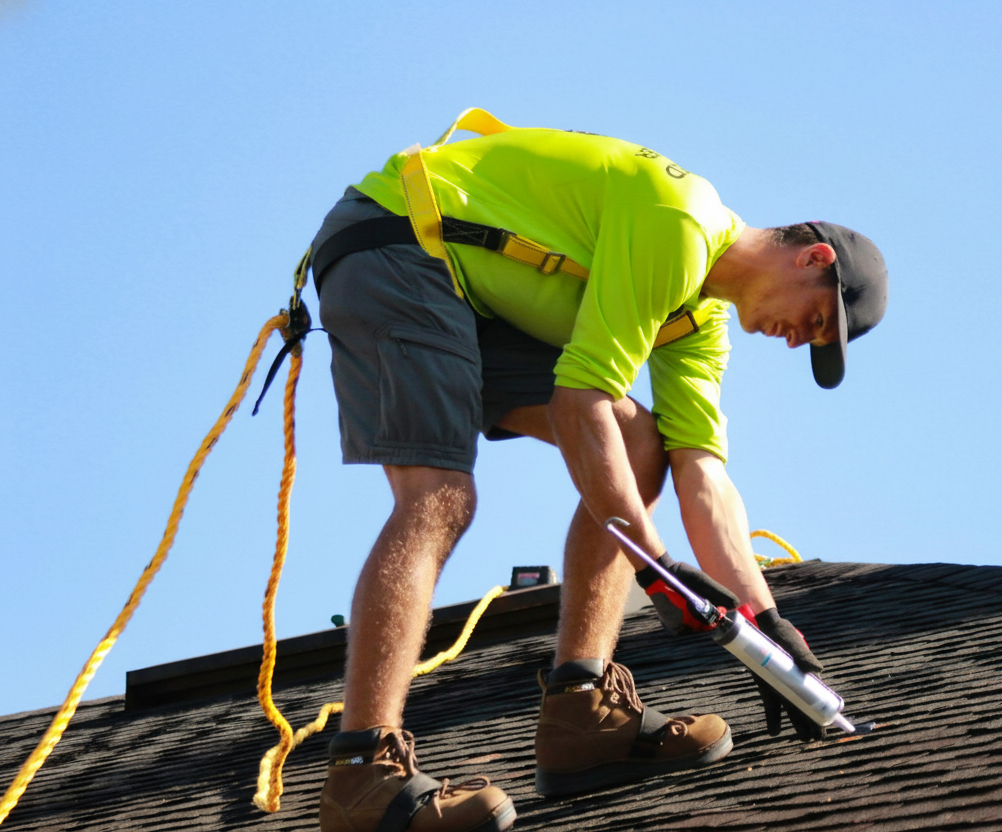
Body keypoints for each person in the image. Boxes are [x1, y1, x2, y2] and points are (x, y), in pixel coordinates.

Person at [310, 109, 887, 832]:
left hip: (477, 290)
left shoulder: (697, 321)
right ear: (815, 260)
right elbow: (580, 404)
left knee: (641, 444)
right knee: (440, 496)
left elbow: (701, 476)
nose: (802, 340)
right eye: (818, 322)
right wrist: (654, 564)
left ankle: (581, 715)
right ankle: (362, 773)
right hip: (400, 240)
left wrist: (768, 625)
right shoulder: (677, 222)